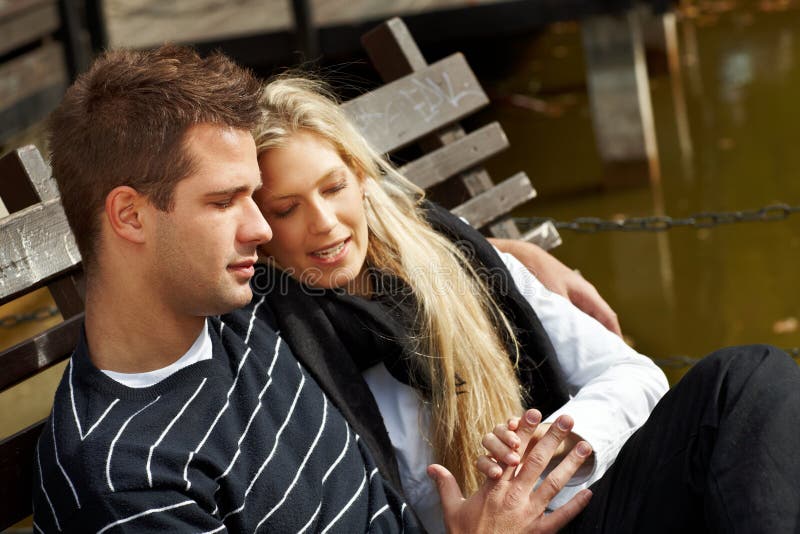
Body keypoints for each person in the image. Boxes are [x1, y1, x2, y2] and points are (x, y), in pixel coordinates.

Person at [31, 45, 601, 533]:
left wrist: (509, 258)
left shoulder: (239, 303)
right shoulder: (128, 482)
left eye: (256, 197)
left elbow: (355, 234)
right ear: (130, 217)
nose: (260, 229)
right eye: (223, 201)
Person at [251, 76, 800, 533]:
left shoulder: (459, 259)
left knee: (747, 377)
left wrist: (552, 446)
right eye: (286, 209)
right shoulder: (277, 353)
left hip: (584, 511)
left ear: (362, 178)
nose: (322, 223)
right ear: (256, 223)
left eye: (333, 188)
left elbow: (635, 375)